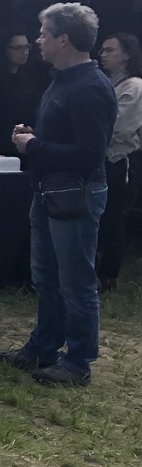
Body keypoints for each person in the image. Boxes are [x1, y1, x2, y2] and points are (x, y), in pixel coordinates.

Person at [0, 3, 116, 387]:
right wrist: (34, 137)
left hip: (75, 195)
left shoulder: (90, 87)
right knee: (46, 277)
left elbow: (89, 156)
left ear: (64, 39)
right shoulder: (63, 79)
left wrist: (34, 146)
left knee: (75, 281)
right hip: (50, 191)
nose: (37, 40)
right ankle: (43, 347)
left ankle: (78, 362)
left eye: (44, 33)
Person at [95, 32, 142, 291]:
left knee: (113, 217)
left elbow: (120, 127)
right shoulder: (106, 83)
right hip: (101, 157)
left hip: (120, 160)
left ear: (127, 54)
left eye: (110, 50)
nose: (103, 55)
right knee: (101, 216)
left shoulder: (134, 86)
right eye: (102, 50)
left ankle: (108, 275)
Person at [0, 31, 41, 156]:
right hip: (0, 143)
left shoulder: (29, 79)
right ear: (4, 50)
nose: (25, 52)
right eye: (18, 48)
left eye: (27, 47)